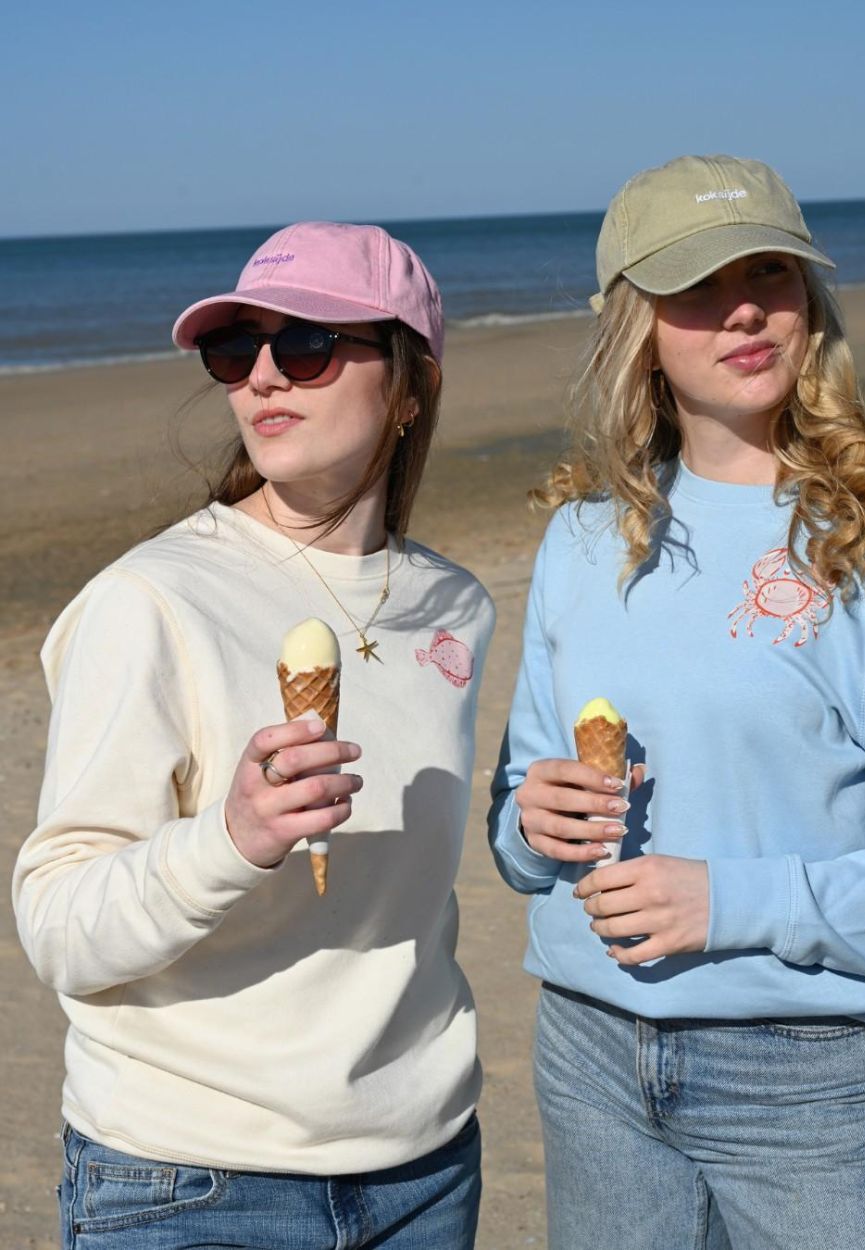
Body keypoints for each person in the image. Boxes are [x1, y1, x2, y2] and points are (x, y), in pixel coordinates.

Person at [488, 155, 865, 1250]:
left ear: (809, 296)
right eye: (697, 285)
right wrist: (531, 824)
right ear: (635, 326)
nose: (745, 310)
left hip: (807, 1079)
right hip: (587, 1056)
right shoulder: (582, 534)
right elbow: (516, 828)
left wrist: (735, 903)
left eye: (769, 271)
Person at [14, 221, 494, 1249]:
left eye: (309, 343)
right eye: (236, 350)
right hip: (190, 1180)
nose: (265, 376)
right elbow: (57, 926)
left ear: (411, 386)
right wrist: (229, 839)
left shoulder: (456, 607)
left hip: (425, 1169)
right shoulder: (151, 599)